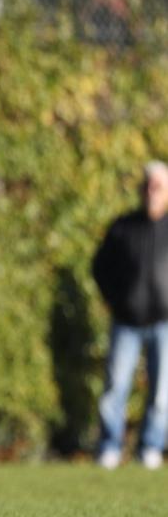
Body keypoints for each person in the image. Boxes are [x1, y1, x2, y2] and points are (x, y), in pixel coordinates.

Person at [93, 160, 168, 470]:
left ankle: (151, 447)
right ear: (141, 189)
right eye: (148, 185)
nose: (152, 191)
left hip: (165, 322)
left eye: (159, 186)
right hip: (127, 322)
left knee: (162, 393)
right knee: (115, 386)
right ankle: (110, 446)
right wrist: (116, 300)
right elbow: (100, 268)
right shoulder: (123, 226)